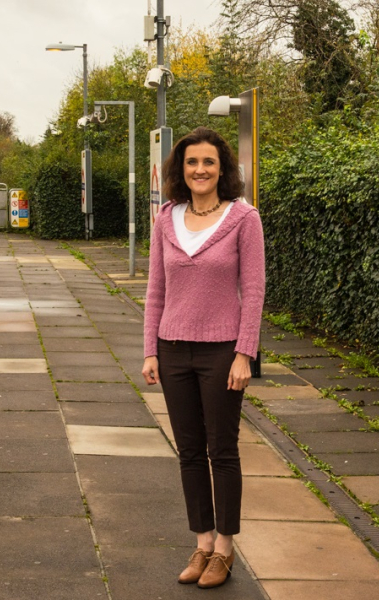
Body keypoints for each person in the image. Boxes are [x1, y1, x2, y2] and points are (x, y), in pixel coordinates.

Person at [141, 126, 265, 589]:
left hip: (221, 352)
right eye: (192, 162)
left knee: (223, 450)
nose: (200, 170)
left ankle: (225, 549)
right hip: (173, 350)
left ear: (222, 168)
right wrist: (150, 349)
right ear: (181, 169)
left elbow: (253, 292)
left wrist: (244, 354)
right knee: (189, 452)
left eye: (209, 162)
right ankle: (202, 542)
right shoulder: (165, 219)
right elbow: (156, 291)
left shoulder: (242, 218)